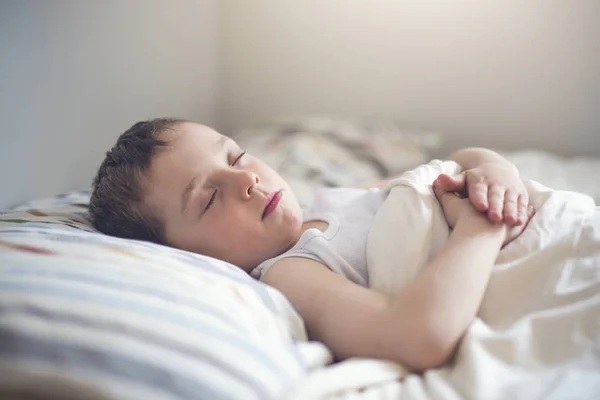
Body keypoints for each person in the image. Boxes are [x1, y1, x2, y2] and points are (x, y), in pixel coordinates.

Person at [90, 118, 534, 372]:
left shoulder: (332, 199)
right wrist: (481, 227)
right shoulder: (293, 271)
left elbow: (458, 161)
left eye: (236, 157)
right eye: (208, 198)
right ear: (185, 255)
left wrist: (496, 172)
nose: (247, 179)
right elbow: (414, 338)